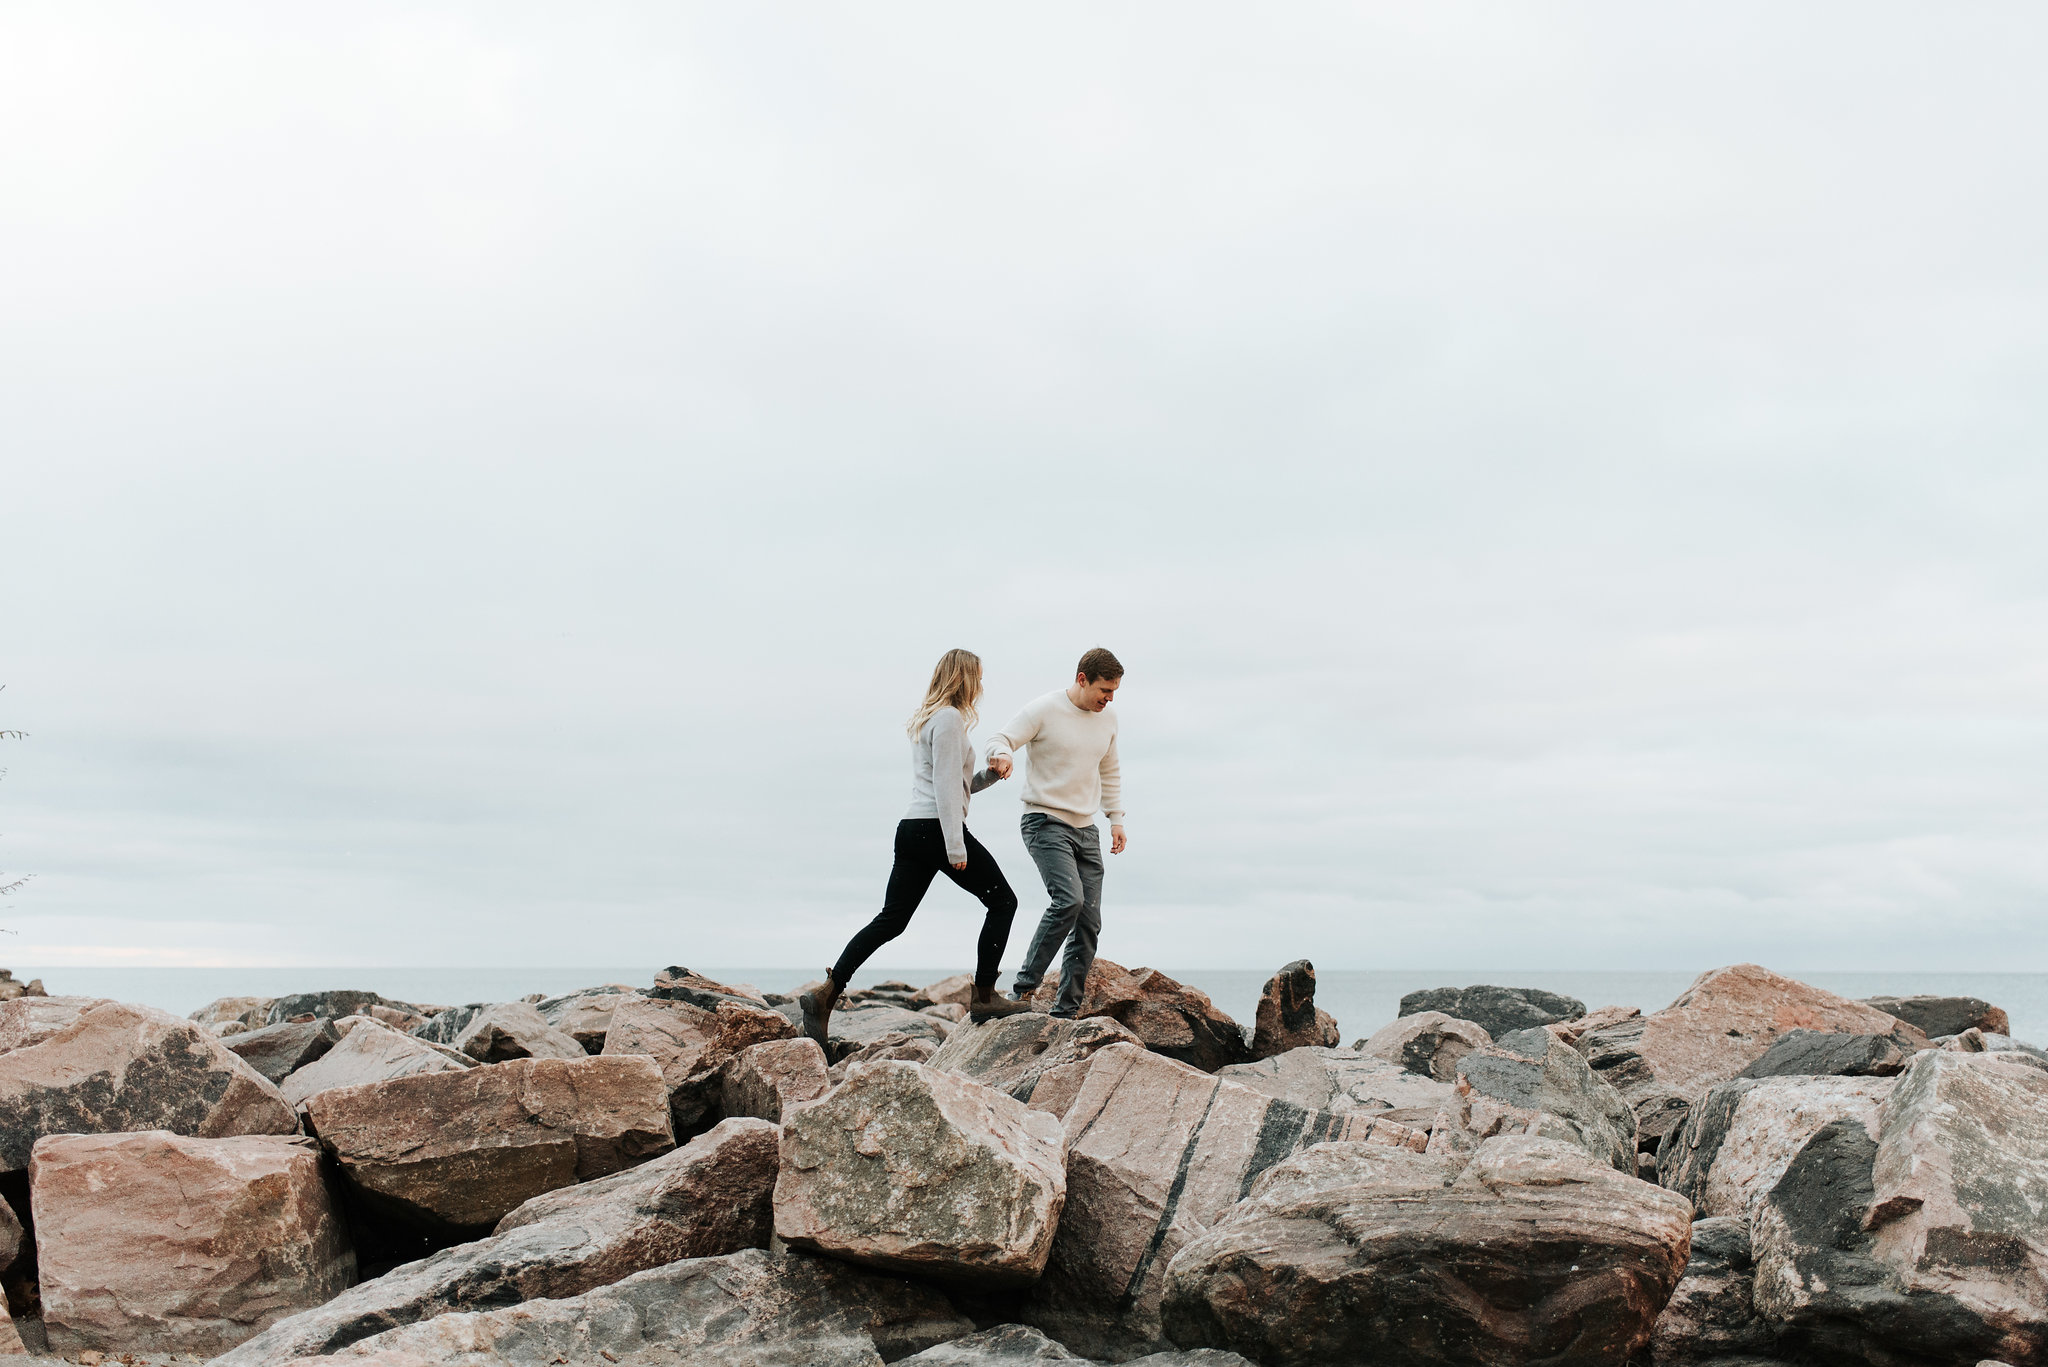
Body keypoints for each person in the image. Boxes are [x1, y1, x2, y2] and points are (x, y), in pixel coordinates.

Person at [801, 649, 1033, 1047]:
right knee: (1003, 902)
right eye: (977, 676)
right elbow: (945, 789)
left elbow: (955, 783)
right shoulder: (948, 719)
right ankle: (984, 996)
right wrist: (955, 846)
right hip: (936, 830)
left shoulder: (931, 718)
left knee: (892, 919)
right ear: (963, 677)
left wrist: (990, 776)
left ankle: (827, 993)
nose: (981, 685)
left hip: (914, 829)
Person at [984, 647, 1125, 1019]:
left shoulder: (1108, 720)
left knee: (1090, 921)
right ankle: (1024, 991)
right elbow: (1001, 738)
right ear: (1082, 679)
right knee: (1068, 900)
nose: (1109, 699)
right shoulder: (1044, 709)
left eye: (1114, 692)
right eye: (1104, 691)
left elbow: (1109, 771)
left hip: (1086, 830)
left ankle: (1066, 1010)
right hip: (1045, 822)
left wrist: (1116, 819)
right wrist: (1002, 755)